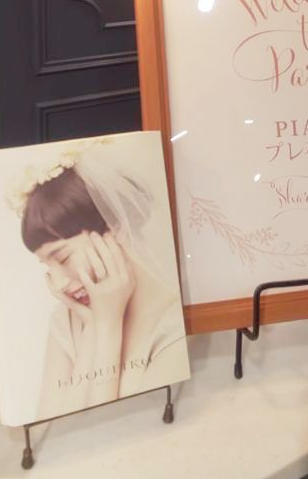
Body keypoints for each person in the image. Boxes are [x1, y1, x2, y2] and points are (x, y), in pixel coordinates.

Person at [18, 142, 185, 418]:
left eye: (63, 258)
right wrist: (97, 324)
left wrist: (106, 324)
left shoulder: (173, 325)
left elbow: (106, 425)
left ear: (115, 227)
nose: (58, 284)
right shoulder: (69, 318)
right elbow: (51, 425)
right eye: (47, 266)